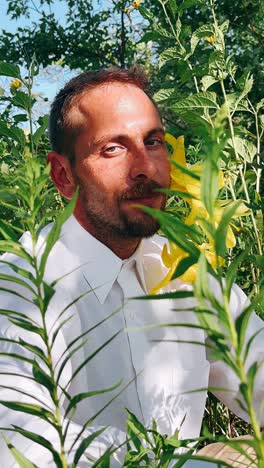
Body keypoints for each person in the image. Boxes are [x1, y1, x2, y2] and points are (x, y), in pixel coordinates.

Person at [0, 66, 263, 467]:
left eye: (153, 141)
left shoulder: (185, 271)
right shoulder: (21, 288)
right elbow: (23, 445)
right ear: (63, 175)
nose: (146, 168)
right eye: (113, 148)